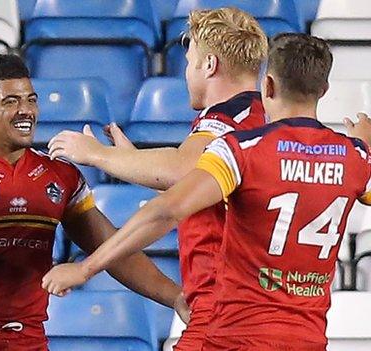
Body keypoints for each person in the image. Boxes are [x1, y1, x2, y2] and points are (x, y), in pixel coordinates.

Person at [42, 33, 371, 350]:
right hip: (308, 340)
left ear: (267, 84)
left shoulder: (242, 150)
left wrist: (85, 268)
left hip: (235, 337)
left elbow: (168, 209)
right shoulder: (355, 158)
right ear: (324, 89)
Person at [0, 54, 189, 350]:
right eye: (10, 102)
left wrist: (174, 296)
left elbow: (112, 248)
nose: (25, 111)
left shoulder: (61, 176)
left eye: (31, 100)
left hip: (27, 339)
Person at [47, 7, 268, 350]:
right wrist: (131, 158)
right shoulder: (263, 121)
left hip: (222, 317)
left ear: (209, 65)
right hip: (250, 312)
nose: (186, 73)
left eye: (190, 60)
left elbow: (180, 173)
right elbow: (198, 182)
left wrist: (95, 154)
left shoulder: (226, 122)